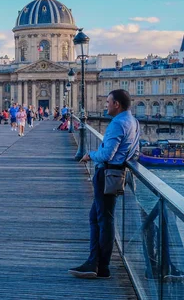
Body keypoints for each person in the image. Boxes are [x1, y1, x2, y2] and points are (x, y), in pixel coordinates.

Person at [69, 89, 140, 279]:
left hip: (107, 173)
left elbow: (106, 154)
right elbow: (135, 152)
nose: (105, 105)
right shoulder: (134, 121)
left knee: (104, 220)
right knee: (97, 217)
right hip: (116, 173)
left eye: (108, 102)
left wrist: (89, 155)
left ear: (117, 104)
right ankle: (94, 261)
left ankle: (101, 265)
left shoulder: (117, 124)